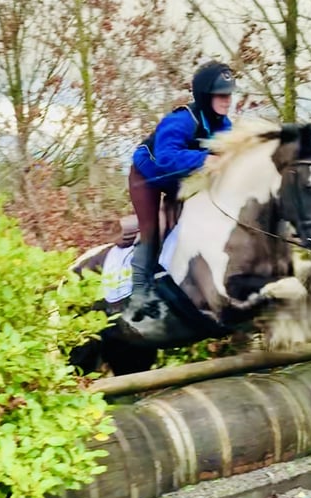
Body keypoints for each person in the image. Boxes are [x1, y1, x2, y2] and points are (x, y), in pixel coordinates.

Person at [127, 60, 236, 315]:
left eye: (229, 95)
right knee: (152, 229)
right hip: (148, 176)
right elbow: (166, 158)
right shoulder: (181, 120)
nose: (227, 100)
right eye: (221, 95)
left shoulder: (224, 125)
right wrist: (205, 159)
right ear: (205, 95)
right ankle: (139, 293)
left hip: (181, 181)